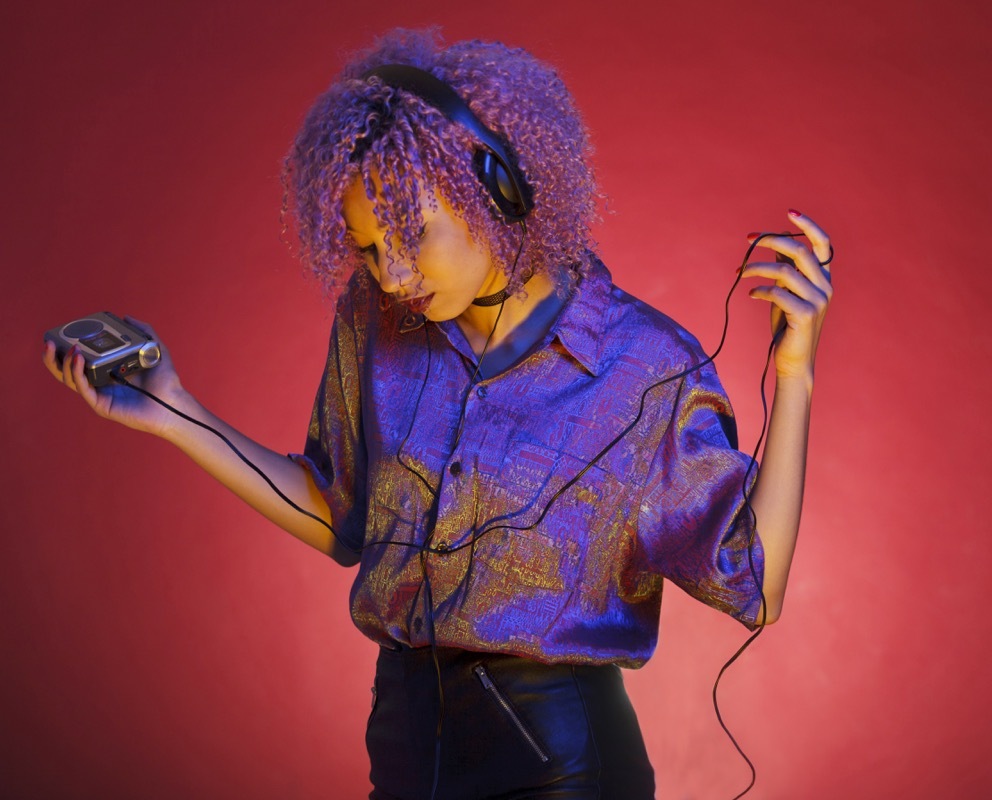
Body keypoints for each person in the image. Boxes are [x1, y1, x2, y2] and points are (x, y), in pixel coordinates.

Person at [43, 27, 831, 800]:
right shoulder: (373, 321)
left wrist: (793, 376)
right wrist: (175, 412)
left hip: (556, 764)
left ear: (500, 193)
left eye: (413, 236)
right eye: (367, 247)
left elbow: (754, 585)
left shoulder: (642, 366)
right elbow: (342, 519)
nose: (392, 275)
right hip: (405, 746)